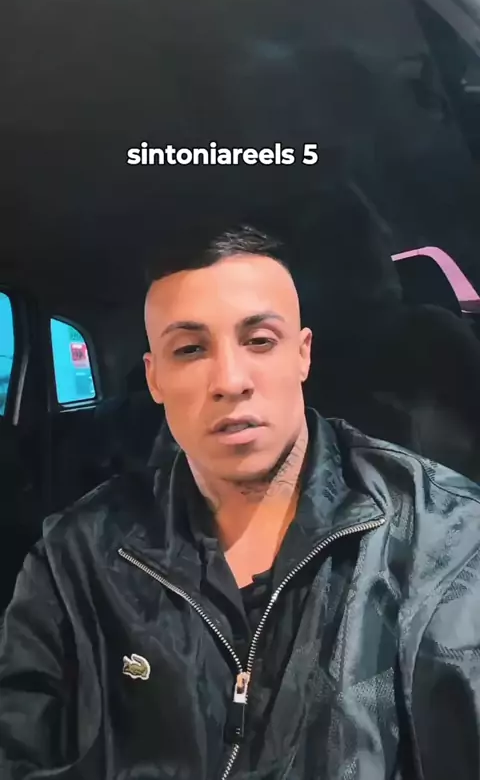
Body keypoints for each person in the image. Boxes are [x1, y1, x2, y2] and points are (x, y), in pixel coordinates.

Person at [1, 225, 480, 780]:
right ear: (154, 379)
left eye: (259, 340)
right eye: (190, 349)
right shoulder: (74, 559)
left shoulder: (448, 542)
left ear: (302, 355)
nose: (230, 380)